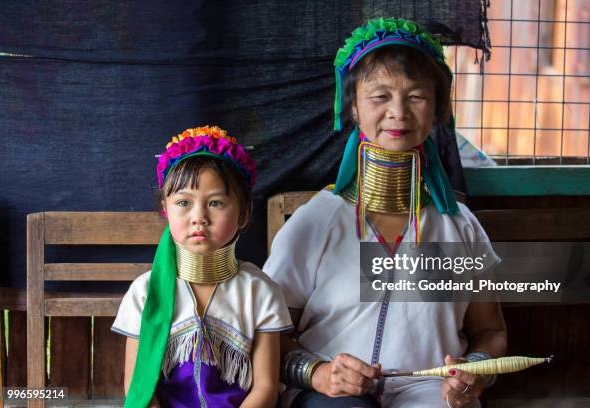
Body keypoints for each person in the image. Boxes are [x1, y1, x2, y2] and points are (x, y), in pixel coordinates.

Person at [263, 18, 507, 408]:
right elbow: (267, 333)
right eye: (380, 96)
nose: (399, 112)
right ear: (355, 108)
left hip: (432, 393)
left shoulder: (459, 226)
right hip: (332, 395)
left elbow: (491, 331)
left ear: (437, 109)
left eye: (416, 96)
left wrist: (476, 369)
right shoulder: (317, 222)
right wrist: (319, 373)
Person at [112, 125, 293, 408]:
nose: (199, 217)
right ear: (165, 209)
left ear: (244, 213)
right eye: (183, 202)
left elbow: (266, 387)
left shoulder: (260, 291)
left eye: (216, 203)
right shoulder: (145, 292)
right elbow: (138, 387)